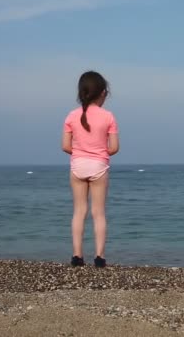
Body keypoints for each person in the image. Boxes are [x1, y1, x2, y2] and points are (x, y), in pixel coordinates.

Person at [62, 71, 119, 268]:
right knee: (98, 213)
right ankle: (99, 257)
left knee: (79, 211)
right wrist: (100, 152)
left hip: (77, 165)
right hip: (99, 166)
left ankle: (77, 256)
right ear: (103, 93)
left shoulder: (71, 115)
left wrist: (80, 152)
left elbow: (65, 146)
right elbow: (114, 148)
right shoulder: (108, 116)